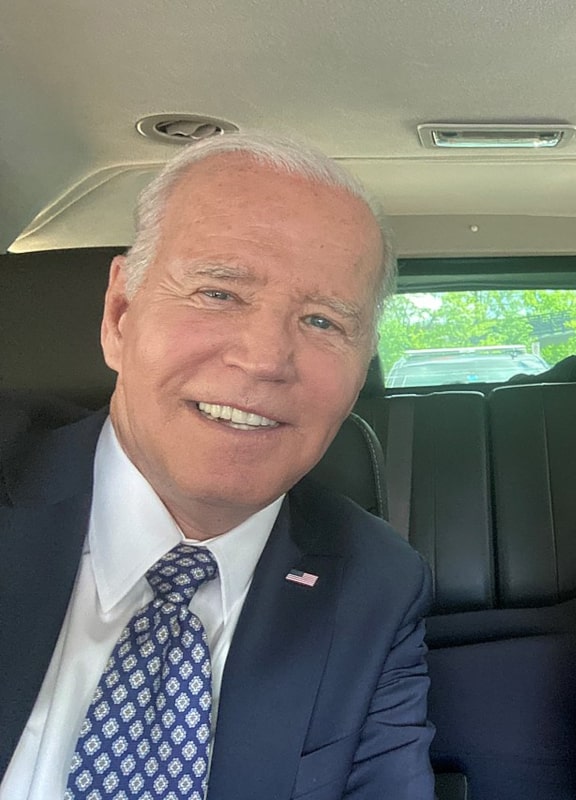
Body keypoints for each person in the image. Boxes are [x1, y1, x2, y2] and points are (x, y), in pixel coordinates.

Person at [0, 133, 436, 799]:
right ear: (120, 314)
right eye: (218, 293)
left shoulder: (378, 583)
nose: (264, 358)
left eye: (323, 321)